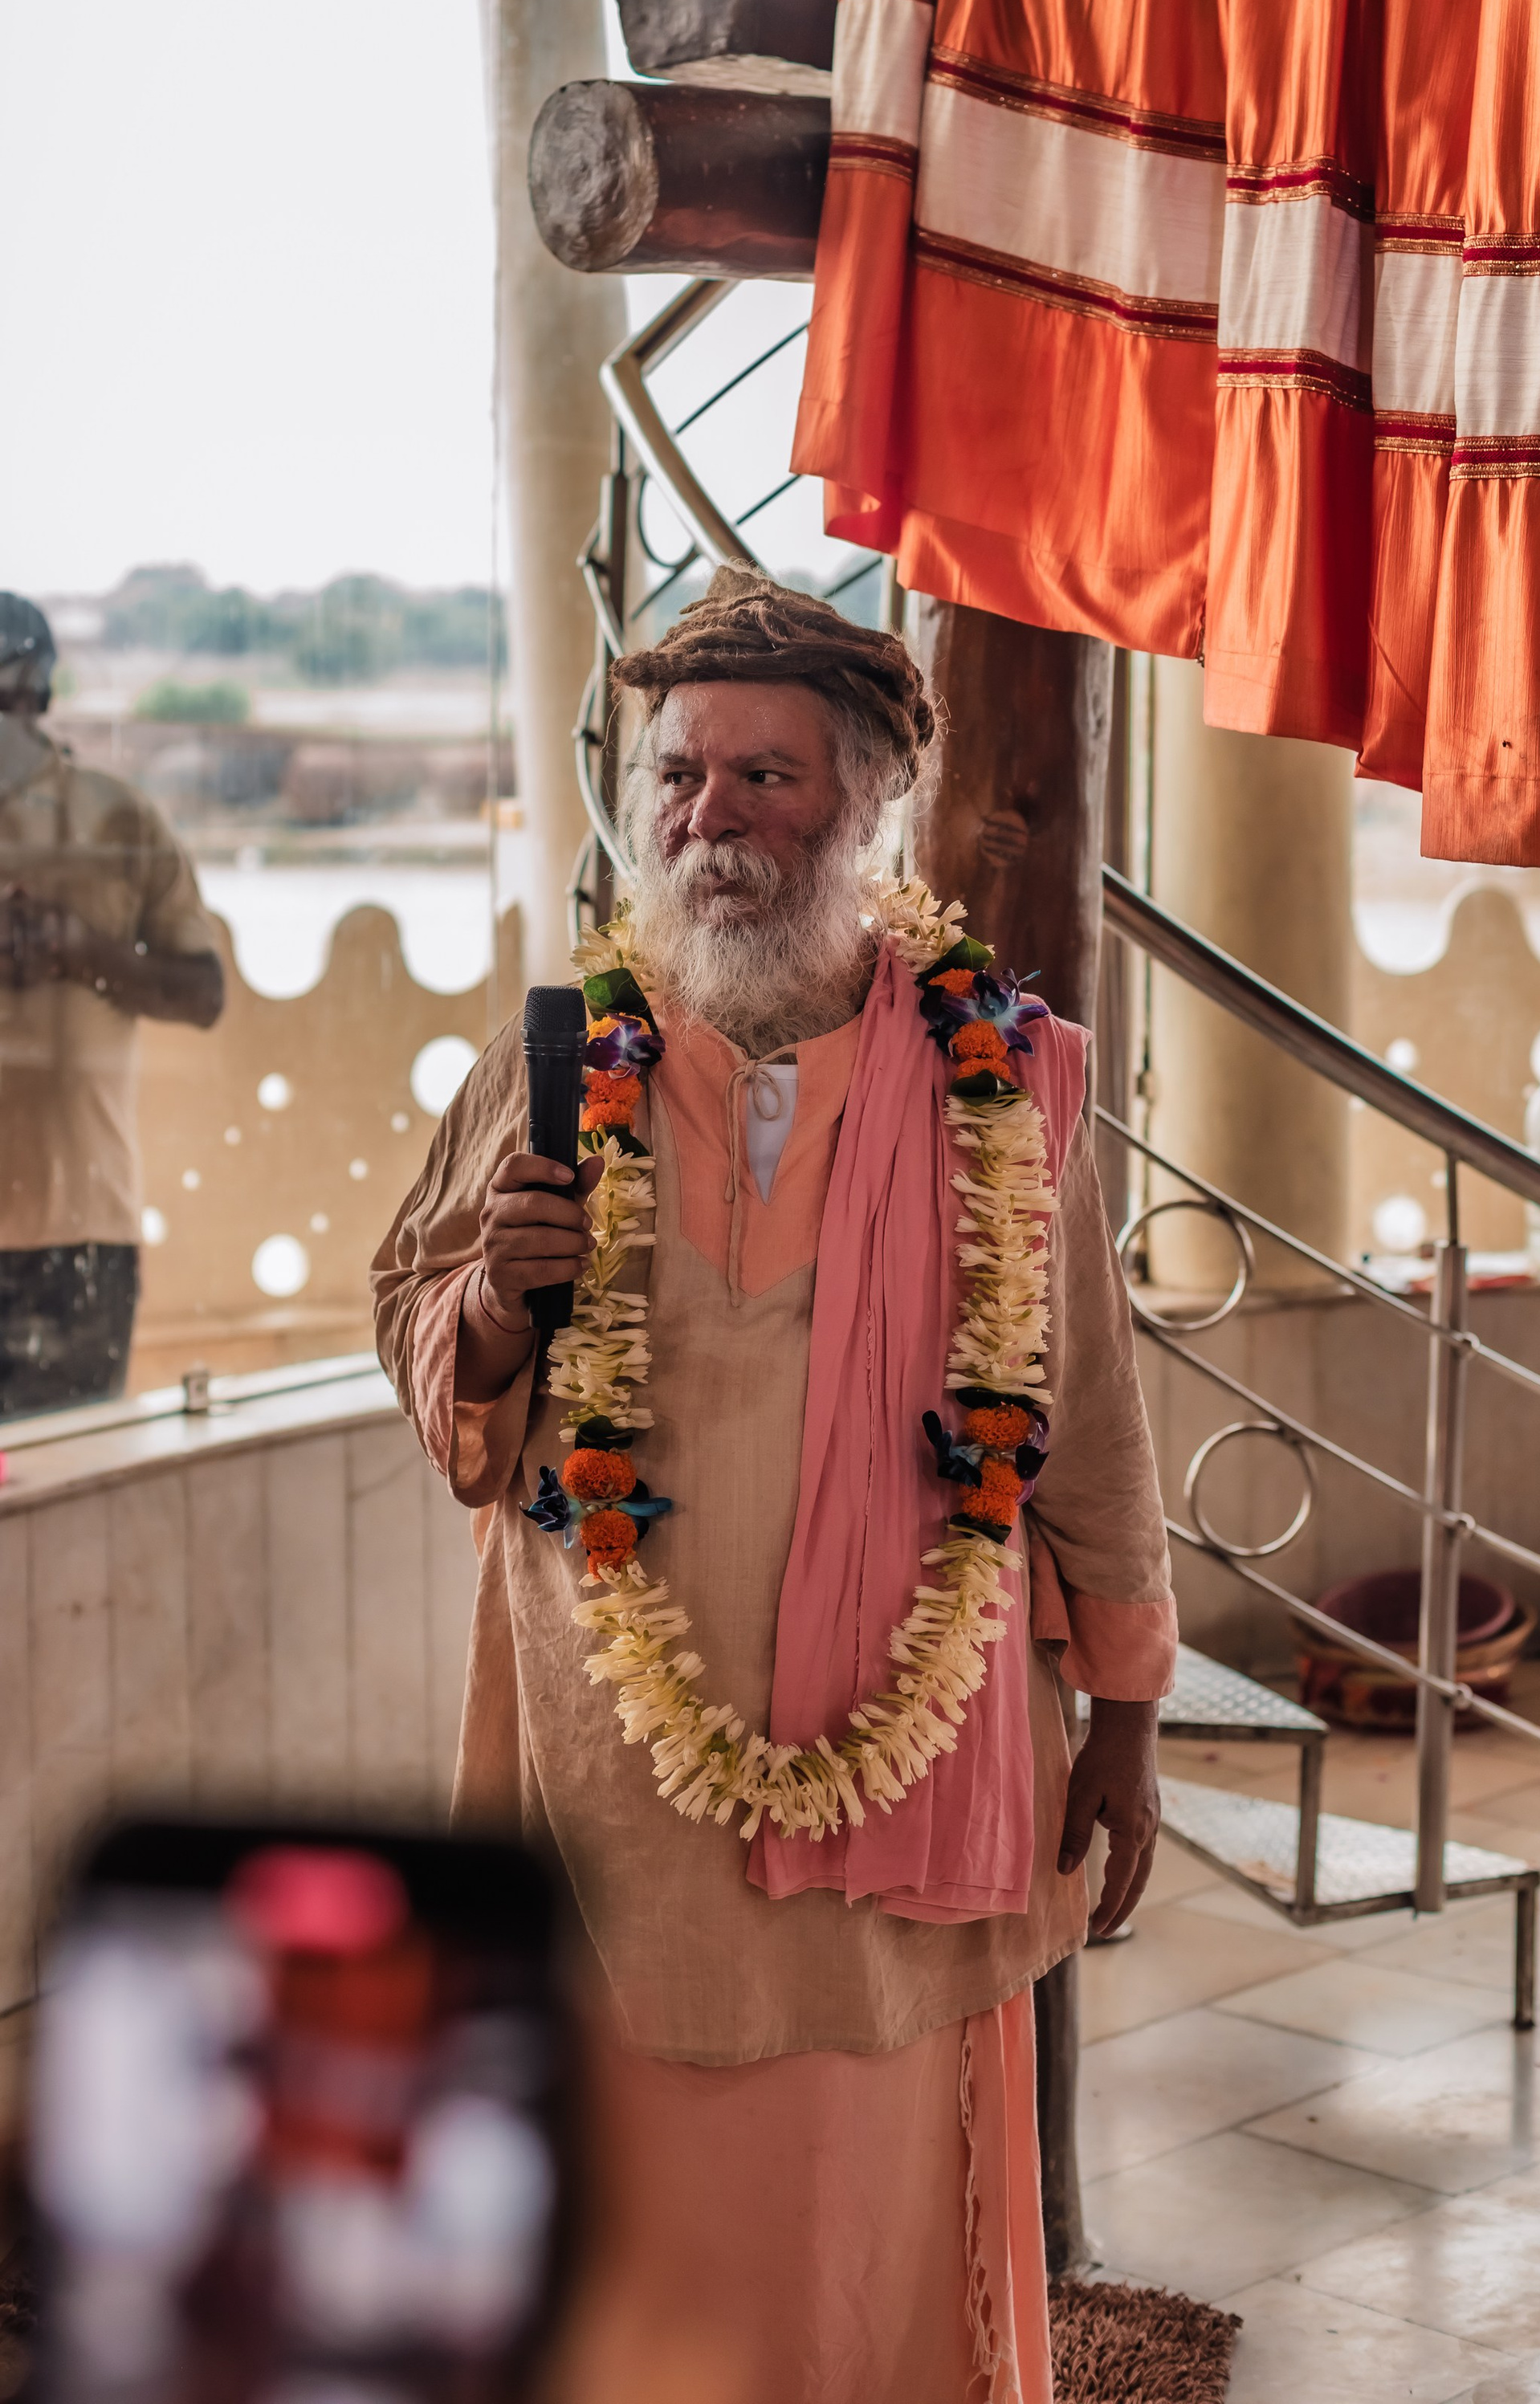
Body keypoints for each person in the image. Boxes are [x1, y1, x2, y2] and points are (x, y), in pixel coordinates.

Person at [373, 568, 1175, 2404]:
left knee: (865, 2195)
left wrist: (1123, 1708)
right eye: (674, 774)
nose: (705, 819)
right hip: (617, 1751)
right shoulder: (556, 1052)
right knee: (619, 2167)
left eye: (763, 776)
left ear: (874, 792)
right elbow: (422, 1318)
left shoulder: (1006, 1083)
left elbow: (1090, 1410)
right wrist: (493, 1292)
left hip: (906, 1731)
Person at [0, 591, 225, 1414]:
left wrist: (79, 950)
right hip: (80, 1233)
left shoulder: (115, 818)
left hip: (80, 1232)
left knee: (68, 1501)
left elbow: (203, 993)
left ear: (39, 690)